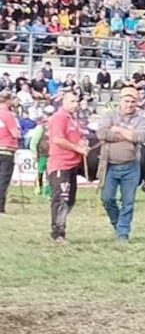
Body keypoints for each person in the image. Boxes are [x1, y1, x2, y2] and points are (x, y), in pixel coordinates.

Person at [96, 86, 145, 243]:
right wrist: (128, 136)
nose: (130, 104)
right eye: (127, 101)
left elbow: (141, 136)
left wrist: (118, 130)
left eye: (133, 102)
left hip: (131, 166)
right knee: (107, 198)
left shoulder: (141, 119)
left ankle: (123, 233)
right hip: (110, 165)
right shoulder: (109, 115)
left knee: (128, 202)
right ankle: (117, 223)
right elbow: (102, 133)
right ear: (121, 100)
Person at [47, 92, 89, 244]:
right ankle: (58, 233)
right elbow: (58, 139)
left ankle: (60, 228)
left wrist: (83, 143)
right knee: (61, 199)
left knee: (70, 200)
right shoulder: (59, 117)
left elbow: (77, 138)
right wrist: (77, 148)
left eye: (76, 101)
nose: (75, 104)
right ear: (63, 102)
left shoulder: (74, 120)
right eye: (72, 101)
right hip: (61, 164)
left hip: (72, 165)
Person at [0, 91, 18, 215]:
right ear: (8, 101)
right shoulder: (8, 115)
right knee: (3, 180)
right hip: (6, 150)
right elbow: (15, 133)